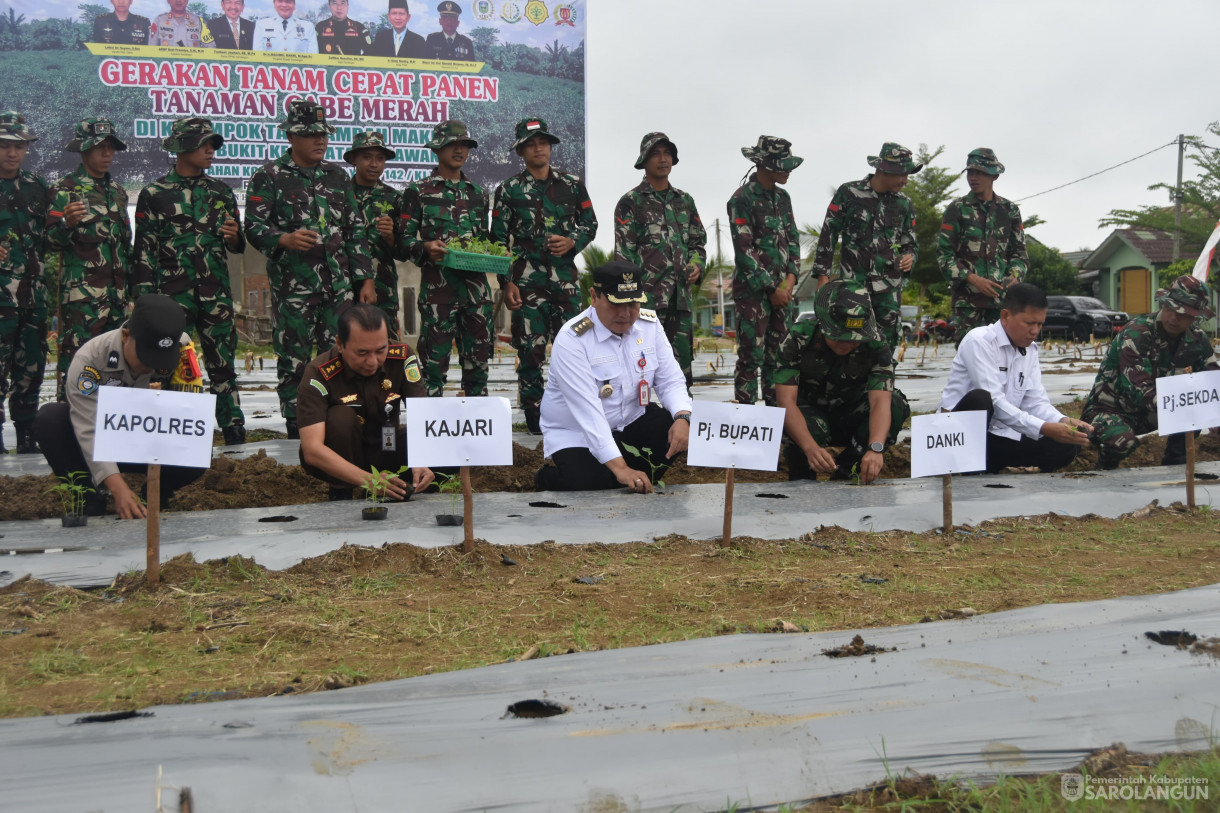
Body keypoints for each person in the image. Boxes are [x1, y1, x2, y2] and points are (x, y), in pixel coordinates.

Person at [244, 100, 372, 438]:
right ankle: (297, 424)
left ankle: (340, 419)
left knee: (339, 356)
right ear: (291, 136)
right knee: (294, 360)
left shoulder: (337, 176)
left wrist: (365, 278)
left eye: (323, 134)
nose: (320, 141)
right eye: (311, 134)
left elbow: (355, 230)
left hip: (338, 288)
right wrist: (284, 238)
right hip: (295, 288)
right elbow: (254, 228)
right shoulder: (269, 176)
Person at [33, 294, 207, 518]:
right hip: (102, 442)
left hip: (146, 442)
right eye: (146, 357)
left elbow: (188, 412)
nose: (152, 366)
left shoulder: (181, 347)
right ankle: (88, 495)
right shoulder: (90, 360)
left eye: (160, 360)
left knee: (197, 445)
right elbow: (88, 430)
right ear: (126, 336)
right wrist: (118, 489)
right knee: (50, 419)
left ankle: (156, 494)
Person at [132, 117, 247, 446]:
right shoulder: (154, 194)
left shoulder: (221, 192)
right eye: (203, 144)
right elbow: (144, 250)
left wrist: (234, 237)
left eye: (213, 144)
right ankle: (163, 426)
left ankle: (233, 425)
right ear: (183, 148)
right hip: (171, 297)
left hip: (215, 293)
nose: (211, 150)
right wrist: (143, 302)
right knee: (164, 363)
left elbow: (235, 245)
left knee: (223, 362)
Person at [534, 261, 691, 493]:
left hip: (630, 420)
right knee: (588, 482)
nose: (626, 314)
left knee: (672, 432)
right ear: (594, 297)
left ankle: (625, 471)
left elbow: (670, 380)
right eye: (616, 304)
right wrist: (621, 469)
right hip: (579, 432)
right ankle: (545, 477)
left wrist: (683, 417)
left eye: (633, 303)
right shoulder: (572, 340)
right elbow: (589, 413)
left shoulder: (649, 325)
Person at [490, 117, 597, 433]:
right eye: (531, 144)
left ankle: (574, 412)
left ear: (550, 146)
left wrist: (572, 241)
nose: (538, 148)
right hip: (526, 284)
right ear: (521, 151)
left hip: (565, 282)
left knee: (575, 350)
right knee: (530, 350)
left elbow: (589, 223)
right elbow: (498, 242)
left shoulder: (573, 185)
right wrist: (506, 282)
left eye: (543, 142)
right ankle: (534, 416)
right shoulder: (508, 190)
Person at [939, 283, 1092, 473]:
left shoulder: (1031, 350)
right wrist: (1043, 427)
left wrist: (1061, 420)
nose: (1035, 331)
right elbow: (995, 401)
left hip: (998, 436)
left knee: (1065, 446)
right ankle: (968, 467)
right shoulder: (979, 341)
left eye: (1040, 324)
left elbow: (1035, 402)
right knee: (981, 399)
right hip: (959, 436)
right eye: (1029, 323)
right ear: (1005, 316)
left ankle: (990, 465)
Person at [775, 281, 910, 483]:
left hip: (850, 413)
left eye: (855, 339)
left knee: (896, 404)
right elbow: (786, 401)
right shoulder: (797, 338)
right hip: (810, 415)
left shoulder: (876, 344)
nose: (847, 344)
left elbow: (880, 401)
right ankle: (802, 475)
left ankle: (849, 469)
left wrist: (875, 447)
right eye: (839, 337)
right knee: (785, 416)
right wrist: (810, 448)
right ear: (824, 324)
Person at [297, 304, 433, 500]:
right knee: (340, 418)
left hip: (387, 448)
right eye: (362, 353)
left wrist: (421, 459)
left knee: (448, 445)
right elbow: (313, 450)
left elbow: (422, 416)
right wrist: (369, 480)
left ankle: (403, 484)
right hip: (342, 458)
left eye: (380, 350)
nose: (373, 361)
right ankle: (342, 491)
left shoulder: (402, 357)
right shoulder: (318, 374)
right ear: (340, 343)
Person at [1082, 275, 1219, 469]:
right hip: (1111, 411)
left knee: (1195, 409)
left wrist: (1211, 411)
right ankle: (1104, 470)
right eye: (1170, 308)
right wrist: (1187, 402)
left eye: (1184, 315)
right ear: (1163, 304)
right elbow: (1139, 392)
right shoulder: (1137, 333)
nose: (1174, 317)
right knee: (1122, 442)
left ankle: (1175, 469)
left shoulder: (1197, 339)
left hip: (1154, 411)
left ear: (1194, 317)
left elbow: (1213, 381)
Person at [396, 120, 492, 397]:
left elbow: (483, 241)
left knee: (478, 364)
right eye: (452, 145)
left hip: (476, 292)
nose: (459, 150)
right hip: (439, 293)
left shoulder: (478, 194)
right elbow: (403, 242)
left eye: (464, 145)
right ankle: (429, 430)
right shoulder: (418, 192)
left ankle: (477, 427)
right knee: (433, 367)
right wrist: (424, 248)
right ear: (437, 149)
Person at [46, 118, 132, 401]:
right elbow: (49, 241)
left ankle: (110, 434)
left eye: (111, 148)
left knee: (116, 369)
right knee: (79, 368)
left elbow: (125, 244)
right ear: (83, 150)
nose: (108, 154)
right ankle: (70, 429)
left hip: (117, 301)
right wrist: (66, 224)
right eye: (100, 147)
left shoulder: (118, 193)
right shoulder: (64, 190)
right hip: (83, 303)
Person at [613, 131, 706, 388]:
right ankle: (637, 423)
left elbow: (698, 243)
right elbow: (623, 255)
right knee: (638, 368)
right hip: (646, 302)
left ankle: (680, 420)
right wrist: (629, 301)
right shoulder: (630, 203)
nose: (662, 159)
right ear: (643, 160)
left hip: (681, 299)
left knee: (680, 369)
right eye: (655, 154)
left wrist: (697, 264)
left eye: (667, 153)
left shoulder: (685, 201)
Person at [812, 142, 920, 350]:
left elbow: (910, 243)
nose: (905, 181)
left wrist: (909, 257)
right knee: (850, 343)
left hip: (888, 289)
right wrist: (823, 277)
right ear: (884, 170)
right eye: (902, 174)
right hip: (853, 287)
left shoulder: (904, 204)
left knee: (886, 347)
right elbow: (828, 234)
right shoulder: (849, 193)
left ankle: (884, 383)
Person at [726, 135, 801, 406]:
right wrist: (771, 288)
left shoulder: (783, 198)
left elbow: (794, 240)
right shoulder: (741, 199)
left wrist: (790, 280)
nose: (789, 170)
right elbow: (744, 250)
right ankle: (746, 422)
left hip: (784, 293)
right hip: (753, 295)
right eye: (784, 164)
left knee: (779, 358)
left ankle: (777, 423)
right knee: (750, 358)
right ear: (767, 165)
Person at [938, 148, 1028, 344]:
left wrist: (1014, 277)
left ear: (994, 175)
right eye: (970, 172)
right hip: (968, 304)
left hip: (1003, 303)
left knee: (1004, 356)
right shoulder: (957, 209)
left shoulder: (1009, 210)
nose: (973, 177)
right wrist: (973, 279)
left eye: (980, 173)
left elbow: (1020, 255)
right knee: (970, 357)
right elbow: (945, 257)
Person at [0, 111, 50, 455]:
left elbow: (54, 236)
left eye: (19, 146)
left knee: (32, 365)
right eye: (4, 145)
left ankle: (27, 431)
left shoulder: (38, 187)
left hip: (33, 297)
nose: (12, 153)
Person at [345, 131, 401, 336]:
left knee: (386, 342)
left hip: (382, 286)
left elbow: (404, 250)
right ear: (353, 159)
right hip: (344, 284)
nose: (374, 164)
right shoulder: (339, 195)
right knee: (346, 341)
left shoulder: (395, 198)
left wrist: (389, 236)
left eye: (379, 158)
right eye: (367, 157)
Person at [253, 0, 317, 53]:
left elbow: (313, 57)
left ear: (294, 5)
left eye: (288, 1)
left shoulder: (308, 27)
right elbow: (258, 56)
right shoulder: (261, 25)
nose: (284, 5)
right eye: (280, 1)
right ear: (274, 4)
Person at [149, 0, 216, 47]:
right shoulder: (159, 20)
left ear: (187, 0)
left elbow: (210, 47)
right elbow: (150, 47)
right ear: (168, 0)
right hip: (165, 65)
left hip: (192, 65)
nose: (178, 1)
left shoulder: (198, 21)